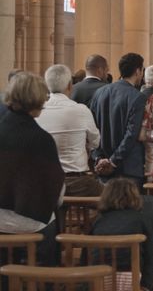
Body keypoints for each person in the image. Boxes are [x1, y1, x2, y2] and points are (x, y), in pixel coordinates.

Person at [0, 72, 64, 266]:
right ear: (37, 100)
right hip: (32, 225)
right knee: (52, 226)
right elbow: (57, 192)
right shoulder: (42, 139)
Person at [36, 64, 103, 196]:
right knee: (110, 195)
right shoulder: (81, 110)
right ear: (69, 86)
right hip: (78, 182)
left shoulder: (37, 111)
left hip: (45, 182)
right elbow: (96, 142)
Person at [91, 53, 147, 187]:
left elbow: (93, 129)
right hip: (128, 168)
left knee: (106, 207)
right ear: (138, 71)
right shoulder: (138, 97)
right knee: (130, 207)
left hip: (103, 166)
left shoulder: (99, 93)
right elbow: (131, 134)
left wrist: (99, 158)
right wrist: (113, 161)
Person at [91, 178, 153, 291]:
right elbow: (151, 253)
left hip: (99, 276)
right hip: (130, 276)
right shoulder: (141, 218)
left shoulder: (98, 219)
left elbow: (87, 250)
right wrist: (146, 284)